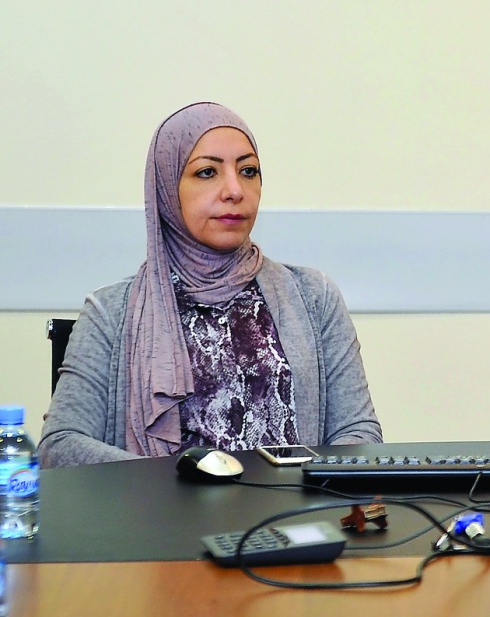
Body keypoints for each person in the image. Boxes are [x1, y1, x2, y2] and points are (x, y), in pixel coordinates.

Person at [40, 102, 383, 467]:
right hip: (163, 519)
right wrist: (175, 485)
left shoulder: (314, 296)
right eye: (207, 172)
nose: (235, 190)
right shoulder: (111, 312)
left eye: (248, 171)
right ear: (168, 189)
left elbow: (359, 433)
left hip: (289, 515)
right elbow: (60, 446)